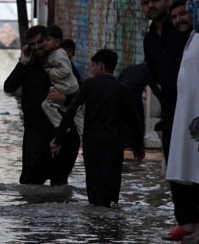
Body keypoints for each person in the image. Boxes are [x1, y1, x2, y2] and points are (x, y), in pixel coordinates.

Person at [51, 49, 145, 207]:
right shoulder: (121, 88)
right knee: (111, 186)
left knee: (93, 187)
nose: (91, 69)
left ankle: (94, 217)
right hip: (114, 144)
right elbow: (133, 119)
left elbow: (71, 111)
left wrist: (58, 139)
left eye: (93, 66)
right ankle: (110, 217)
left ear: (101, 66)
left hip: (92, 143)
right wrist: (138, 146)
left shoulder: (88, 84)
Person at [3, 25, 80, 185]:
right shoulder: (28, 65)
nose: (37, 47)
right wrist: (22, 63)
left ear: (47, 41)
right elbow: (8, 87)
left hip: (59, 134)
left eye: (40, 42)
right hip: (34, 134)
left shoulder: (61, 63)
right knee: (30, 184)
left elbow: (80, 94)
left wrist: (64, 98)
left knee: (59, 184)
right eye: (32, 44)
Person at [165, 0, 199, 241]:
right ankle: (192, 224)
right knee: (188, 167)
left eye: (183, 14)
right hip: (186, 118)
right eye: (175, 17)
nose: (179, 19)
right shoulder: (191, 39)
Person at [139, 0, 189, 163]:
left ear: (166, 1)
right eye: (146, 3)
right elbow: (154, 73)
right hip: (169, 109)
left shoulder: (180, 27)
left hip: (189, 104)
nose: (151, 5)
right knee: (173, 160)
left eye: (155, 0)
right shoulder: (149, 38)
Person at [40, 26, 82, 135]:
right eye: (43, 40)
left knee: (47, 105)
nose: (44, 43)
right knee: (76, 116)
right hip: (66, 86)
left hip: (66, 86)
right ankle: (65, 128)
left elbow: (66, 70)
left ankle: (61, 126)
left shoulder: (59, 54)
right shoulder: (54, 54)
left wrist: (51, 72)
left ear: (57, 42)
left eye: (48, 40)